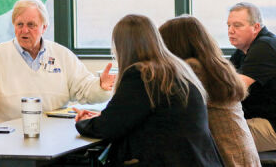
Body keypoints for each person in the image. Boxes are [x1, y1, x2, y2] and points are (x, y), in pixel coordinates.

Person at [74, 14, 223, 166]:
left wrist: (85, 123)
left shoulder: (142, 74)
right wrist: (103, 116)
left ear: (121, 46)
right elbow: (144, 115)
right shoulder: (177, 69)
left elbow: (106, 128)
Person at [0, 0, 115, 124]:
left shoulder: (62, 55)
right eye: (19, 24)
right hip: (7, 138)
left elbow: (84, 89)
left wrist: (101, 86)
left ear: (44, 27)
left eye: (31, 25)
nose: (24, 30)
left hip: (56, 137)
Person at [159, 15, 260, 166]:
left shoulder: (193, 68)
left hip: (227, 155)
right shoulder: (217, 65)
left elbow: (167, 102)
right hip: (241, 151)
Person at [228, 2, 276, 152]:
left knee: (214, 138)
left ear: (256, 27)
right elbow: (223, 79)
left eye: (237, 25)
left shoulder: (264, 47)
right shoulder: (244, 49)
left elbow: (232, 91)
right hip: (263, 120)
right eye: (229, 25)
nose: (230, 31)